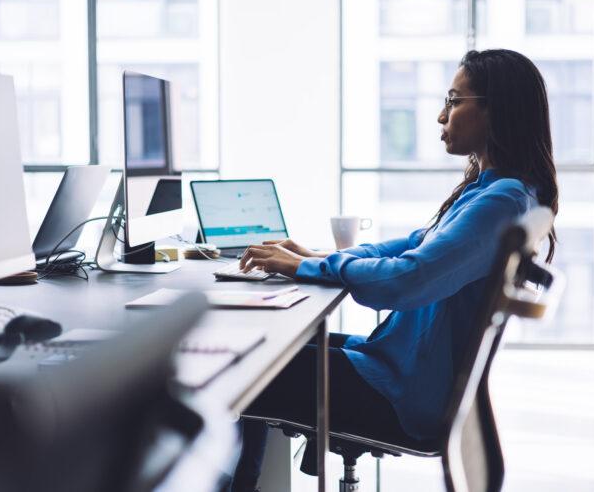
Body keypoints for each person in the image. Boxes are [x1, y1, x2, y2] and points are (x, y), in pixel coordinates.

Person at [224, 48, 559, 492]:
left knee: (241, 368)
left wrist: (314, 267)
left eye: (455, 101)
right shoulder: (494, 190)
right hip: (400, 368)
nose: (442, 116)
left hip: (403, 392)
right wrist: (316, 259)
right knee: (265, 349)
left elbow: (407, 279)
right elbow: (412, 246)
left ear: (495, 110)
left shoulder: (501, 202)